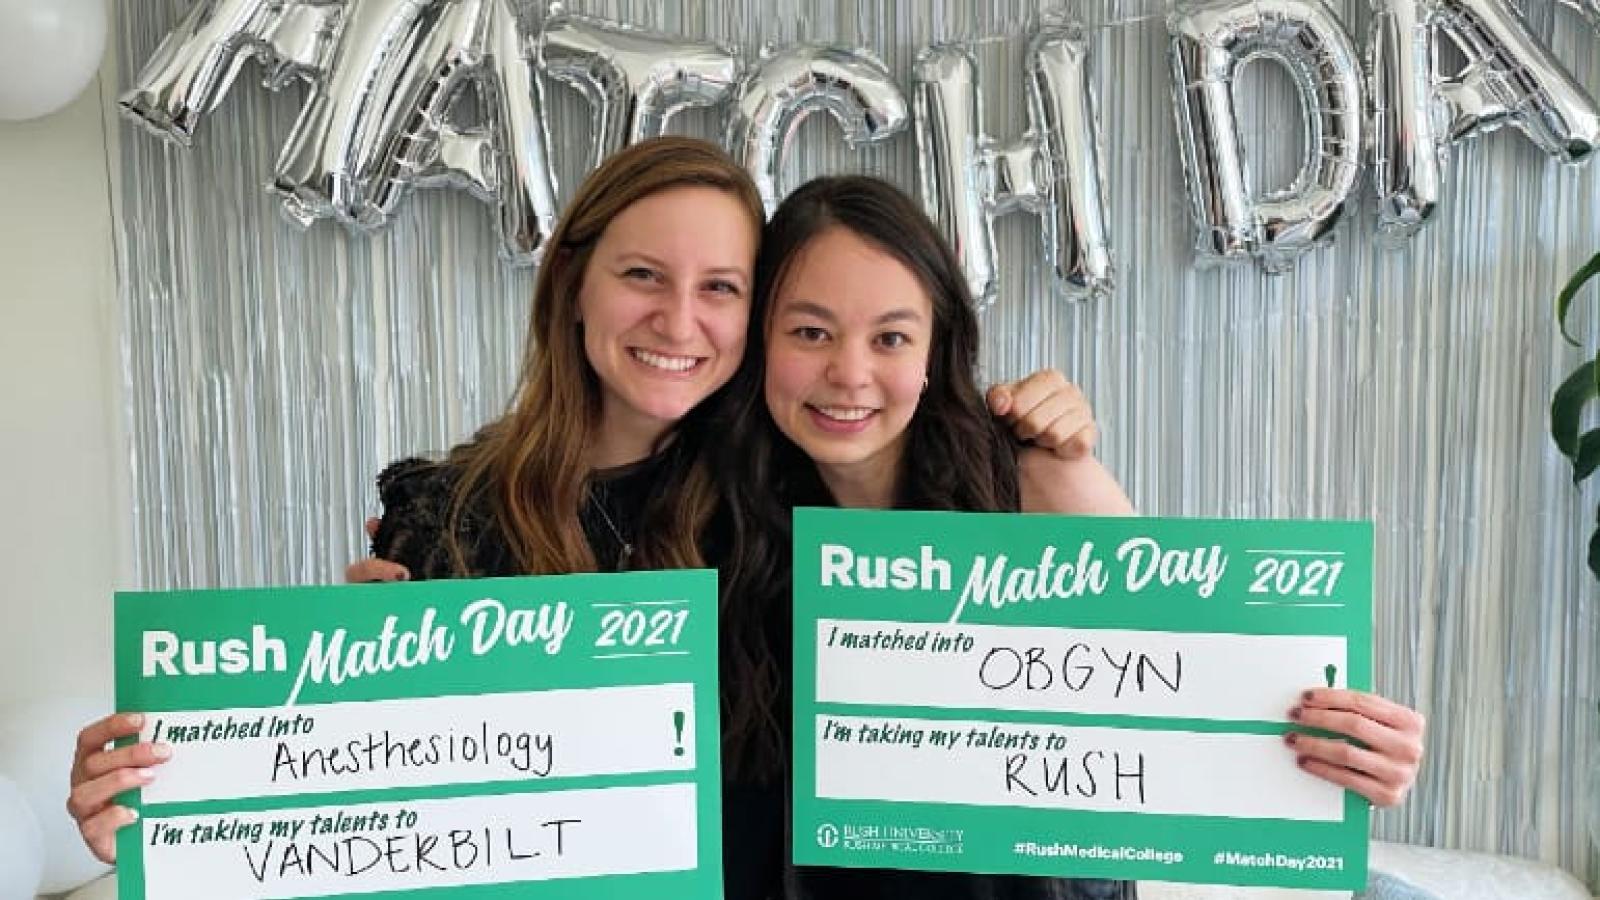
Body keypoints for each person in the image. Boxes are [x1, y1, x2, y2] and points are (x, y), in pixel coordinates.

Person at [65, 136, 1105, 869]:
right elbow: (369, 810)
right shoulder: (437, 514)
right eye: (644, 273)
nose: (678, 319)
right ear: (573, 280)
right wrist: (187, 794)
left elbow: (1075, 667)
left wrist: (1040, 452)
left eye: (723, 288)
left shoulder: (775, 498)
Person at [714, 175, 1426, 900]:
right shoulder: (721, 527)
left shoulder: (1035, 477)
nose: (850, 374)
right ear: (759, 341)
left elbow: (1206, 688)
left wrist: (1357, 748)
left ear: (936, 349)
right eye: (810, 332)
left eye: (891, 337)